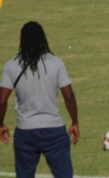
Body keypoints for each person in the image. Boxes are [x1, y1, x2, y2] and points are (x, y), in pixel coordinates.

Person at [0, 21, 79, 178]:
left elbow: (2, 101)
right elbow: (68, 96)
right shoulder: (55, 63)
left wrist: (1, 123)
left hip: (25, 133)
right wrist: (75, 122)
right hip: (54, 132)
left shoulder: (11, 66)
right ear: (43, 39)